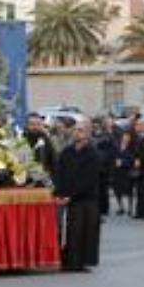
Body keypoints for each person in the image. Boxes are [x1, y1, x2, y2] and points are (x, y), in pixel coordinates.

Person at [52, 116, 103, 272]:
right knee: (72, 230)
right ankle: (69, 260)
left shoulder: (93, 154)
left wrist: (71, 196)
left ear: (88, 133)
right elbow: (59, 173)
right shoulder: (67, 152)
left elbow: (89, 179)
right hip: (68, 197)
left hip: (86, 198)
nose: (76, 133)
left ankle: (83, 262)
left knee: (85, 231)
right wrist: (59, 193)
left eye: (80, 130)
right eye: (75, 130)